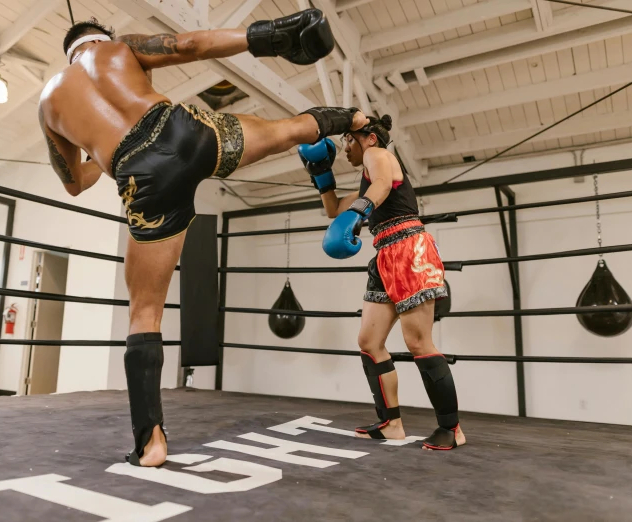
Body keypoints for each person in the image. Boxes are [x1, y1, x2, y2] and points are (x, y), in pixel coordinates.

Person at [38, 12, 369, 467]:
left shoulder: (49, 102)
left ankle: (151, 442)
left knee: (145, 312)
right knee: (283, 132)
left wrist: (105, 151)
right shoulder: (120, 48)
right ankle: (358, 120)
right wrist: (263, 38)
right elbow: (188, 44)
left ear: (69, 51)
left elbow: (74, 183)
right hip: (185, 130)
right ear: (99, 39)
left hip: (142, 175)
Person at [298, 116, 466, 450]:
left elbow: (383, 186)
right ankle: (392, 424)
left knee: (418, 342)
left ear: (369, 138)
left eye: (349, 140)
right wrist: (321, 174)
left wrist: (358, 212)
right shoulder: (367, 179)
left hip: (408, 248)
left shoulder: (379, 156)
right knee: (369, 340)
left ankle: (452, 429)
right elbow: (333, 209)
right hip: (384, 256)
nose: (345, 147)